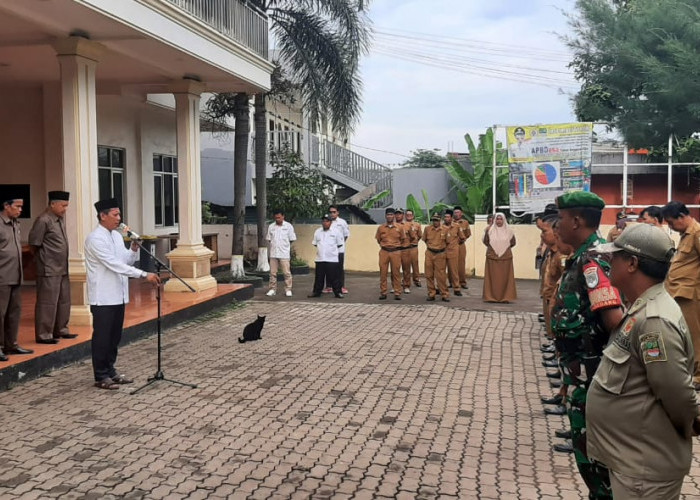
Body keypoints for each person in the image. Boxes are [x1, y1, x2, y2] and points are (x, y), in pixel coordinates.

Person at [587, 223, 700, 499]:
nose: (609, 261)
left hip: (644, 471)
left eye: (616, 256)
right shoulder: (643, 308)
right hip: (634, 463)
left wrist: (690, 425)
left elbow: (676, 394)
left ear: (632, 263)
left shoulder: (653, 321)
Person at [551, 191, 624, 499]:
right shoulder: (583, 256)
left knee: (598, 468)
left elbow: (616, 323)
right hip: (584, 380)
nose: (558, 225)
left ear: (577, 220)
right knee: (591, 465)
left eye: (562, 219)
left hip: (595, 383)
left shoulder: (593, 260)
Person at [85, 198, 160, 390]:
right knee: (102, 337)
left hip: (119, 294)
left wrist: (134, 249)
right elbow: (113, 264)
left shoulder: (117, 236)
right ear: (103, 216)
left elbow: (125, 261)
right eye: (115, 214)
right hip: (103, 296)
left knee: (114, 336)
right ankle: (100, 375)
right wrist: (144, 274)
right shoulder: (95, 239)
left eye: (119, 214)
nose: (119, 218)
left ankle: (110, 371)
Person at [28, 191, 77, 344]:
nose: (65, 209)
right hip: (48, 268)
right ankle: (44, 334)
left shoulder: (59, 219)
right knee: (47, 303)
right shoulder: (44, 220)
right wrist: (43, 261)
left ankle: (61, 330)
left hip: (62, 268)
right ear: (53, 204)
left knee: (63, 301)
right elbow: (34, 244)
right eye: (63, 205)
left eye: (66, 206)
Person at [661, 201, 700, 389]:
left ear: (682, 217)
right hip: (678, 293)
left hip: (690, 295)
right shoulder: (686, 235)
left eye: (671, 222)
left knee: (694, 335)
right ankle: (689, 370)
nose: (670, 226)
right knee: (683, 335)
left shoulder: (697, 233)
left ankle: (698, 375)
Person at [0, 188, 34, 361]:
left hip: (15, 274)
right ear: (6, 206)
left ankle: (11, 344)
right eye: (17, 206)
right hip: (2, 276)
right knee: (0, 312)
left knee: (14, 312)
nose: (20, 210)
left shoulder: (15, 223)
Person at [482, 212, 517, 303]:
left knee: (505, 278)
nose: (499, 221)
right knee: (492, 278)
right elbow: (486, 242)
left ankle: (505, 297)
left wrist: (503, 248)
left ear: (504, 220)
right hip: (492, 257)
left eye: (501, 219)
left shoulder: (509, 231)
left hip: (505, 258)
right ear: (494, 220)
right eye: (497, 219)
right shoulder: (490, 230)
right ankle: (491, 297)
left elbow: (513, 243)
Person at [308, 214, 345, 298]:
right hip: (320, 258)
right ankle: (316, 292)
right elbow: (315, 244)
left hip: (332, 259)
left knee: (334, 277)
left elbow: (339, 244)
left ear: (330, 222)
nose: (325, 223)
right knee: (319, 277)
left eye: (327, 221)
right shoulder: (318, 231)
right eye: (323, 221)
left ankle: (338, 292)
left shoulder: (336, 232)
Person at [375, 207, 406, 300]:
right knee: (383, 273)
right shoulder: (381, 228)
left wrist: (396, 246)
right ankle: (383, 292)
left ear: (394, 216)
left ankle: (397, 292)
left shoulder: (400, 227)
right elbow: (378, 239)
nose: (390, 216)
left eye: (391, 214)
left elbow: (403, 239)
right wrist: (385, 245)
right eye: (388, 215)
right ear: (385, 216)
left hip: (396, 252)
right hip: (384, 251)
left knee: (396, 273)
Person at [265, 209, 297, 297]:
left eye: (279, 217)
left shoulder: (288, 226)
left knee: (286, 273)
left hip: (284, 253)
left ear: (283, 216)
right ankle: (272, 289)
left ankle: (288, 289)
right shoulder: (271, 226)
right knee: (272, 273)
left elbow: (291, 239)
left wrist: (285, 247)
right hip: (273, 253)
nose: (277, 219)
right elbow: (269, 239)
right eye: (276, 218)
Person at [422, 213, 449, 302]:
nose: (435, 222)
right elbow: (425, 239)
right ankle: (431, 293)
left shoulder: (445, 229)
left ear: (440, 220)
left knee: (441, 275)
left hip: (440, 254)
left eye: (437, 220)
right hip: (429, 253)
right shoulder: (427, 229)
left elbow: (448, 242)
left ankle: (444, 294)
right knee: (429, 274)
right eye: (434, 220)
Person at [443, 209, 466, 296]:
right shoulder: (441, 227)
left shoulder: (456, 226)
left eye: (448, 217)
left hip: (453, 251)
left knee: (454, 270)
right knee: (441, 271)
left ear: (451, 218)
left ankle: (456, 288)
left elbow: (462, 237)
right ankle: (441, 287)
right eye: (445, 217)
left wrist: (456, 243)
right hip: (442, 251)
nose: (446, 218)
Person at [327, 205, 349, 294]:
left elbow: (346, 235)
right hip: (328, 250)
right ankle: (328, 286)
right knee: (328, 268)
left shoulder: (342, 222)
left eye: (334, 212)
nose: (332, 214)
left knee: (339, 268)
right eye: (331, 212)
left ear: (337, 213)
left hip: (339, 250)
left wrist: (340, 244)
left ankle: (341, 286)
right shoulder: (327, 221)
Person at [452, 206, 472, 289]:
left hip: (461, 245)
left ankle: (462, 282)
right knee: (452, 264)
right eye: (455, 212)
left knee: (461, 264)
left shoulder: (465, 223)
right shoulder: (450, 222)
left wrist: (463, 239)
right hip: (452, 246)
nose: (456, 214)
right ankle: (452, 282)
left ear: (461, 213)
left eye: (458, 212)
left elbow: (468, 234)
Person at [393, 208, 411, 293]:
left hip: (405, 249)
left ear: (403, 215)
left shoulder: (407, 225)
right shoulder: (392, 225)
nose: (398, 215)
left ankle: (406, 286)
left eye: (399, 214)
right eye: (396, 214)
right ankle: (395, 286)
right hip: (395, 250)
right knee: (395, 269)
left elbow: (413, 237)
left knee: (406, 269)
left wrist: (407, 244)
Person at [404, 209, 423, 288]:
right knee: (406, 265)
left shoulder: (417, 225)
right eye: (407, 214)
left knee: (415, 264)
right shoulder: (402, 224)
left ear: (413, 216)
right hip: (405, 248)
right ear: (405, 216)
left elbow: (419, 235)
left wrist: (415, 241)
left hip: (414, 247)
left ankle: (416, 279)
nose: (409, 216)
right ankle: (405, 280)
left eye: (410, 214)